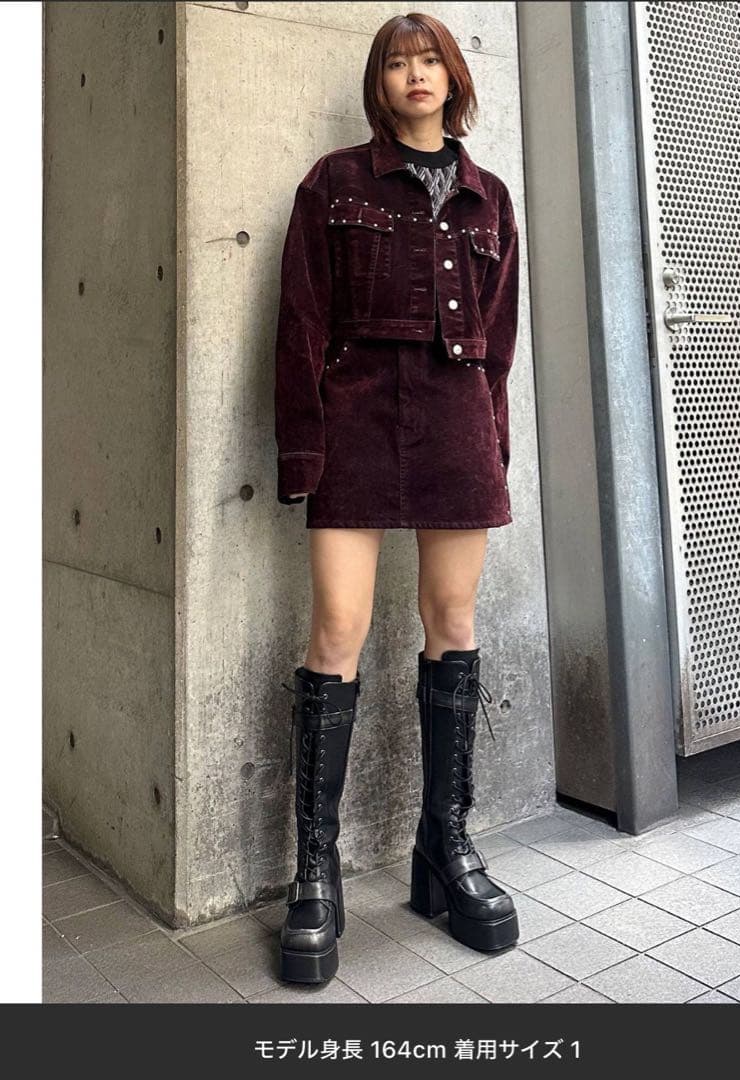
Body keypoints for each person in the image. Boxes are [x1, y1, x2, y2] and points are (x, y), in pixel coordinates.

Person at [274, 12, 520, 985]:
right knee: (337, 626)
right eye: (397, 62)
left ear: (453, 78)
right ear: (379, 84)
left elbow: (498, 344)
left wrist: (494, 448)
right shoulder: (334, 183)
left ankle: (443, 845)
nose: (415, 74)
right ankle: (315, 869)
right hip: (358, 416)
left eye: (430, 60)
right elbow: (300, 319)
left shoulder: (490, 198)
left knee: (451, 620)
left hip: (457, 421)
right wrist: (303, 447)